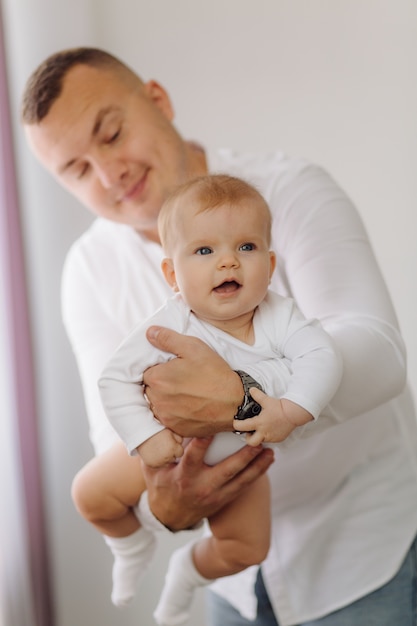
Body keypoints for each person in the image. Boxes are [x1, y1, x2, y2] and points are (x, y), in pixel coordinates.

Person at [21, 47, 417, 626]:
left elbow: (379, 352)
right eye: (77, 170)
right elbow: (115, 431)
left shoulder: (289, 192)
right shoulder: (89, 269)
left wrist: (242, 400)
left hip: (362, 549)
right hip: (231, 575)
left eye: (110, 134)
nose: (109, 174)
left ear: (157, 100)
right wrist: (165, 503)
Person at [77, 173, 341, 624]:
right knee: (89, 496)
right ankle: (131, 545)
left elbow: (324, 357)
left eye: (246, 247)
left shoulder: (280, 316)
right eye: (205, 251)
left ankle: (188, 573)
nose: (228, 263)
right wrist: (147, 437)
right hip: (169, 447)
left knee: (247, 549)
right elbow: (113, 381)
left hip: (241, 461)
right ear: (172, 274)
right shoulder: (169, 323)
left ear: (271, 264)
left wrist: (288, 411)